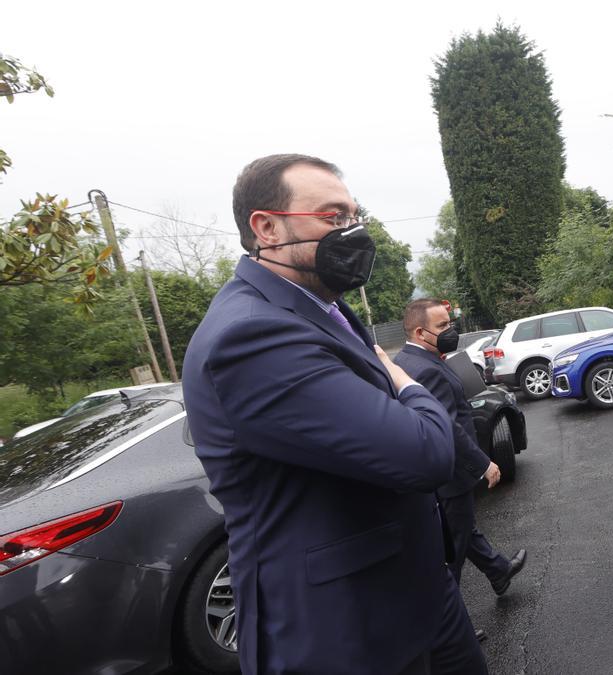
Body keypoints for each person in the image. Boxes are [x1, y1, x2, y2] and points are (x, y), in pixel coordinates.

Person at [183, 154, 487, 675]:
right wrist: (404, 380)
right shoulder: (251, 334)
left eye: (352, 215)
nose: (352, 231)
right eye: (331, 217)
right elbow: (425, 454)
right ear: (267, 227)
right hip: (347, 629)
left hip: (416, 590)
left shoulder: (322, 304)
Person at [394, 299, 527, 598]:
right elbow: (448, 425)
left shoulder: (409, 360)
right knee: (454, 546)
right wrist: (482, 462)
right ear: (419, 332)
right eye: (441, 326)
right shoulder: (425, 369)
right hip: (451, 473)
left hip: (440, 473)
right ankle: (450, 628)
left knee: (463, 530)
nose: (450, 331)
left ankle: (498, 571)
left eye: (450, 323)